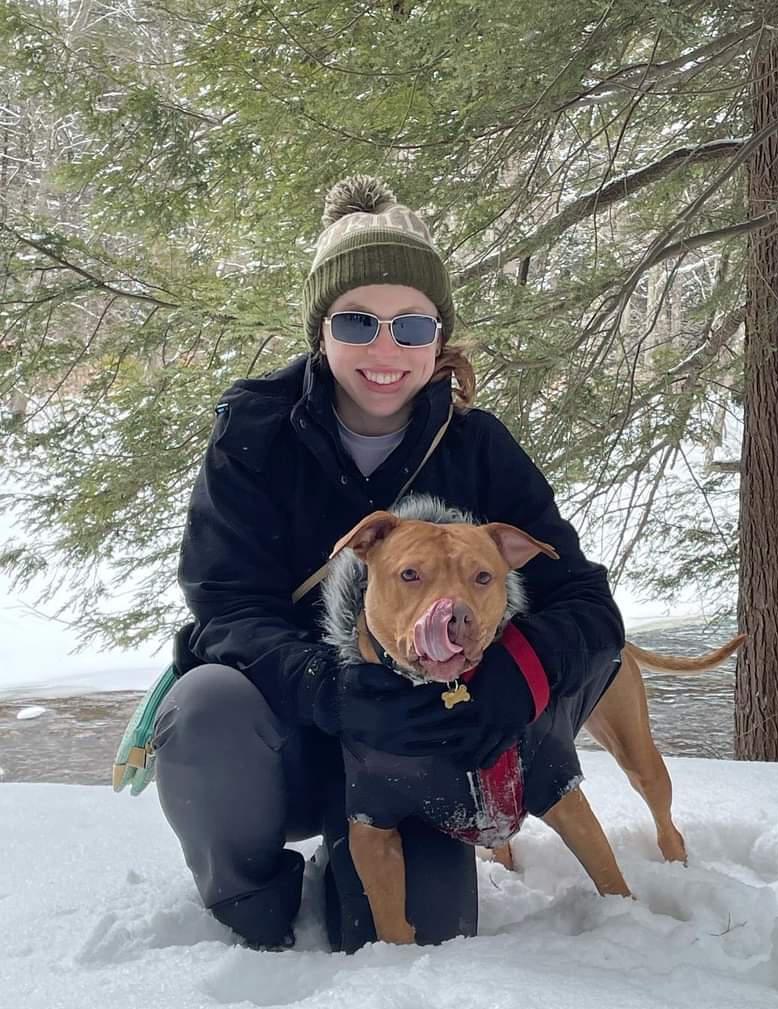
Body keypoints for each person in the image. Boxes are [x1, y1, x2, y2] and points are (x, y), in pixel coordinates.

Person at [153, 176, 625, 952]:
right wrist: (331, 689)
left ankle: (360, 877)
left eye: (411, 325)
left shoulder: (478, 448)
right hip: (299, 735)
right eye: (357, 321)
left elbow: (587, 602)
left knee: (429, 934)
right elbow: (225, 610)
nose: (385, 349)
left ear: (439, 337)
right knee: (202, 707)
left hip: (418, 751)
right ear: (321, 330)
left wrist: (518, 679)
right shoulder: (256, 434)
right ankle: (254, 903)